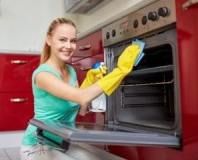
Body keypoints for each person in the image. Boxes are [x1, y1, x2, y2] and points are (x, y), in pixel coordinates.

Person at [20, 17, 141, 160]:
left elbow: (81, 110)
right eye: (62, 40)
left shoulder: (70, 71)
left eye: (73, 41)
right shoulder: (43, 75)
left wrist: (91, 80)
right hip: (37, 146)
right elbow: (82, 96)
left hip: (63, 143)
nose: (69, 46)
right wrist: (120, 71)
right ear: (49, 40)